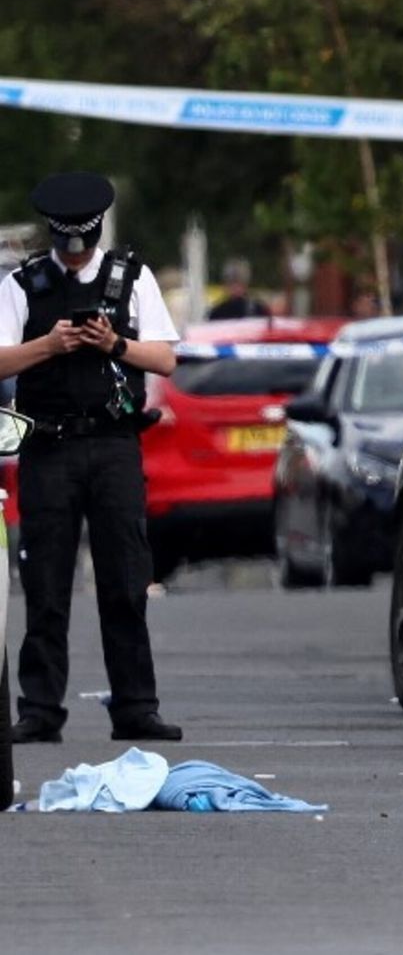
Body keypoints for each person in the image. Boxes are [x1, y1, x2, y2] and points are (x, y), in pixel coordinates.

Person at [0, 172, 183, 743]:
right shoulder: (22, 284)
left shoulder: (132, 277)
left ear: (94, 233)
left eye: (80, 248)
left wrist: (114, 345)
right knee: (46, 585)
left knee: (126, 581)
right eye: (64, 248)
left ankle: (135, 707)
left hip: (112, 445)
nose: (73, 259)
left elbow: (166, 360)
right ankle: (40, 710)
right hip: (48, 446)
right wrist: (48, 346)